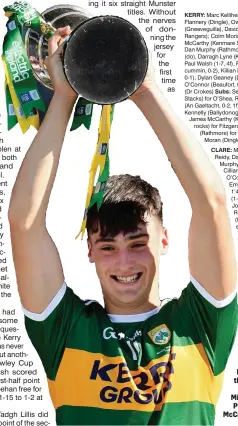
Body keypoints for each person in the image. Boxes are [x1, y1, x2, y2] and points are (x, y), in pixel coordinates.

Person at [8, 26, 237, 426]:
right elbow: (24, 224)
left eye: (137, 241)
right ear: (91, 251)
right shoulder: (65, 331)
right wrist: (63, 96)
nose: (125, 261)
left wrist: (145, 90)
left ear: (164, 239)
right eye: (109, 247)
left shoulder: (201, 325)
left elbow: (212, 204)